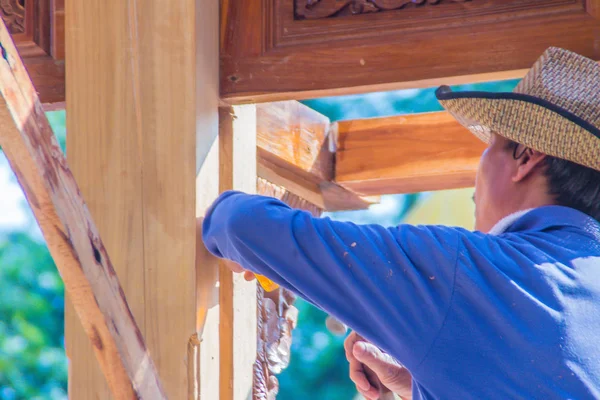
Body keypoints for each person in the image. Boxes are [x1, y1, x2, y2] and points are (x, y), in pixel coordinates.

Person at [202, 47, 600, 399]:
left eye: (489, 145)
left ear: (526, 157)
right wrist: (426, 383)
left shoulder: (468, 271)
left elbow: (238, 224)